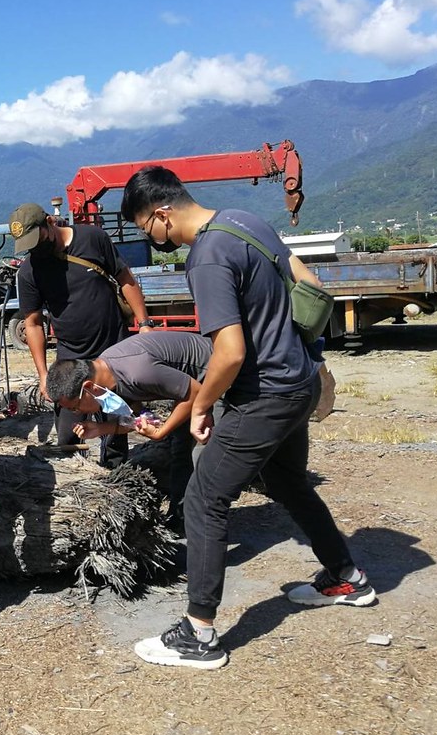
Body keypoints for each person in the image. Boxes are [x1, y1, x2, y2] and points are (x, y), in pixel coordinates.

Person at [120, 167, 375, 670]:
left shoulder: (207, 256)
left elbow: (230, 352)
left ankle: (198, 633)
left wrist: (199, 405)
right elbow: (309, 283)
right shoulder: (246, 221)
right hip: (298, 382)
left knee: (204, 496)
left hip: (265, 397)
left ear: (162, 215)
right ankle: (346, 576)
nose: (151, 239)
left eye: (146, 228)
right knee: (288, 482)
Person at [9, 202, 153, 467]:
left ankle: (116, 477)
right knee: (68, 435)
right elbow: (32, 324)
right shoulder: (30, 271)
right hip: (70, 359)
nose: (35, 249)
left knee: (116, 426)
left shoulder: (92, 238)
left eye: (37, 239)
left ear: (50, 223)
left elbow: (125, 279)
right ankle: (78, 481)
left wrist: (144, 323)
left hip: (113, 352)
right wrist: (43, 375)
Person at [45, 330, 213, 532]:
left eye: (74, 407)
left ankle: (204, 529)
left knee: (202, 455)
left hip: (216, 374)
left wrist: (162, 431)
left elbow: (194, 393)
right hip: (193, 386)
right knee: (181, 449)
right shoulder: (107, 376)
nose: (77, 412)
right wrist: (101, 429)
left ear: (88, 387)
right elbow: (142, 419)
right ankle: (181, 520)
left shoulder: (136, 371)